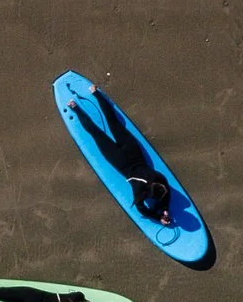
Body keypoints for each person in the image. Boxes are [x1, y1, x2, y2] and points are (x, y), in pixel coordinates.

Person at [66, 88, 176, 225]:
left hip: (133, 151)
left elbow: (167, 192)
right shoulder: (138, 190)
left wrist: (164, 210)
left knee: (113, 123)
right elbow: (141, 209)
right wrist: (159, 216)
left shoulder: (160, 178)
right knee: (96, 134)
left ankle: (95, 93)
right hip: (120, 161)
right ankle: (75, 107)